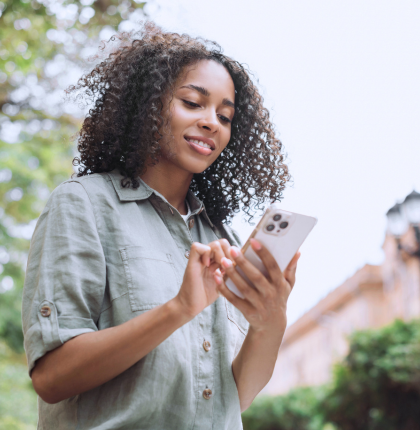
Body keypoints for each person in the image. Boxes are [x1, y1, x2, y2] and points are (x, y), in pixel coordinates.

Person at [22, 23, 299, 430]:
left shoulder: (224, 240)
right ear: (146, 106)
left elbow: (232, 399)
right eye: (192, 103)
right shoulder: (84, 204)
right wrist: (179, 309)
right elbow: (51, 377)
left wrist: (270, 320)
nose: (212, 123)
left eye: (224, 116)